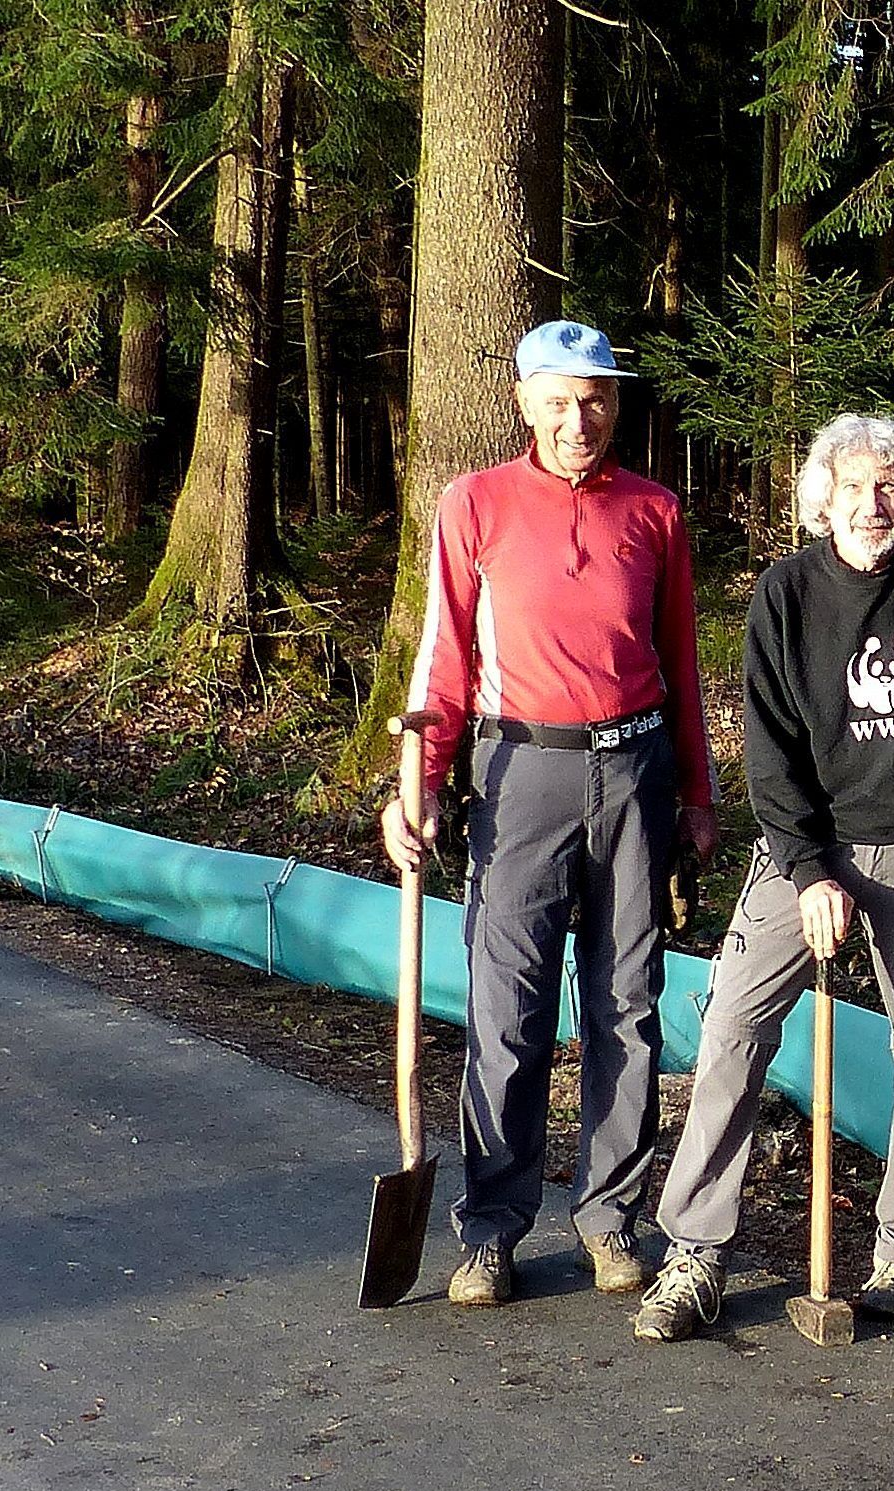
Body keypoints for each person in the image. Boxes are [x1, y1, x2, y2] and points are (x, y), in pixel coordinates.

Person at [633, 414, 894, 1342]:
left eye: (889, 486)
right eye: (853, 489)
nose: (873, 505)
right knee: (732, 1030)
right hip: (807, 849)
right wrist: (806, 872)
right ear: (821, 502)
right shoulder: (786, 592)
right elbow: (768, 751)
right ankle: (694, 1255)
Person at [380, 319, 718, 1308]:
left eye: (597, 398)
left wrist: (697, 793)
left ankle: (610, 1219)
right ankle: (491, 1228)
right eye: (561, 400)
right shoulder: (475, 502)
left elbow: (681, 661)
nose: (580, 419)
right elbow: (444, 659)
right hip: (520, 772)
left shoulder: (653, 510)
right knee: (508, 1007)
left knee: (628, 1005)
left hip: (634, 770)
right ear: (526, 402)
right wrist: (420, 785)